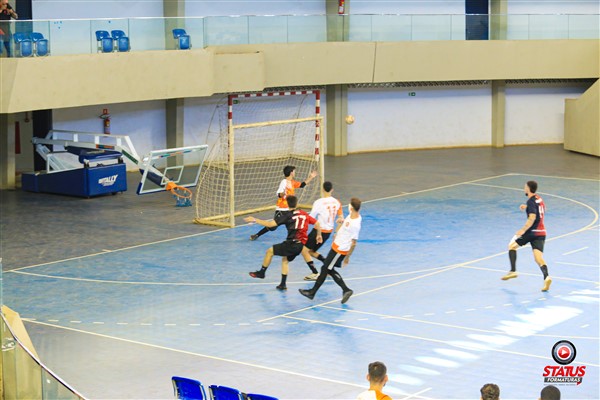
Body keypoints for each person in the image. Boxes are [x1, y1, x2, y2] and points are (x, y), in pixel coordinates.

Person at [245, 195, 322, 290]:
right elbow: (317, 223)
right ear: (297, 203)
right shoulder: (304, 214)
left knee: (270, 251)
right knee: (285, 260)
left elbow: (270, 224)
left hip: (291, 244)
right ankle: (283, 284)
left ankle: (262, 272)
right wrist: (319, 235)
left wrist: (255, 220)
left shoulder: (287, 216)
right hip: (300, 246)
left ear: (287, 205)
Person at [299, 197, 362, 304]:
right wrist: (339, 227)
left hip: (340, 250)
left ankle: (313, 292)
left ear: (351, 207)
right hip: (335, 246)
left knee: (326, 269)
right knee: (328, 269)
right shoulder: (351, 216)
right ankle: (345, 290)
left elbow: (354, 243)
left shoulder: (355, 224)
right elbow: (345, 227)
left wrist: (347, 257)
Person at [502, 180, 552, 292]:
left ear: (528, 189)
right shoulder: (539, 199)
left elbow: (532, 218)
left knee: (512, 246)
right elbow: (541, 210)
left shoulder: (531, 201)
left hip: (531, 232)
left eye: (525, 187)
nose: (524, 188)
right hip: (542, 232)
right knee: (538, 258)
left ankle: (513, 271)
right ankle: (547, 277)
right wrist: (527, 207)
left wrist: (523, 230)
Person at [250, 165, 317, 241]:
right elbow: (278, 193)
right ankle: (257, 234)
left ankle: (297, 239)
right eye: (294, 171)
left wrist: (311, 177)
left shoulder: (292, 182)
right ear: (291, 173)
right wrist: (283, 194)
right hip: (282, 209)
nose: (295, 173)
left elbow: (302, 185)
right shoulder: (284, 182)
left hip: (289, 209)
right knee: (273, 227)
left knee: (294, 223)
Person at [303, 181, 344, 281]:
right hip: (328, 232)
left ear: (322, 189)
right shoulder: (337, 202)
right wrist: (336, 232)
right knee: (311, 251)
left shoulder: (319, 202)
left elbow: (311, 218)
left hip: (318, 231)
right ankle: (328, 266)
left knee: (304, 250)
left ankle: (315, 273)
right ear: (332, 190)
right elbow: (341, 218)